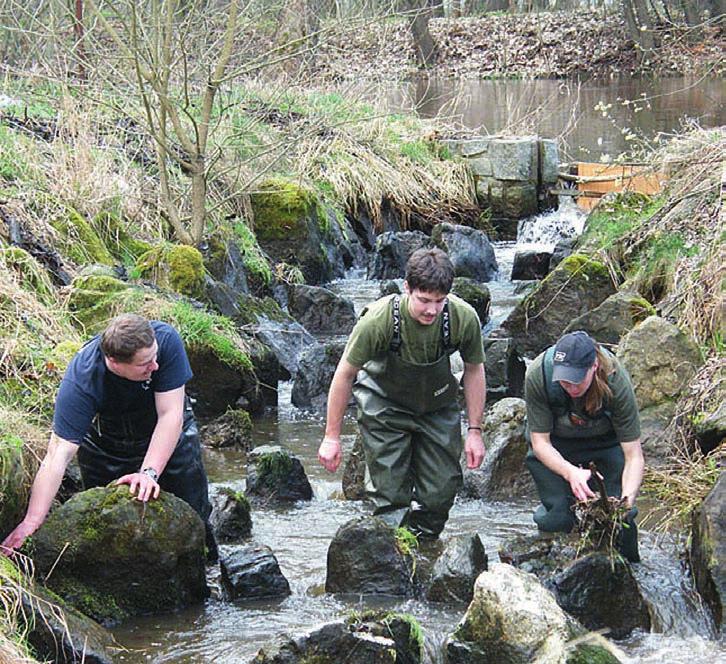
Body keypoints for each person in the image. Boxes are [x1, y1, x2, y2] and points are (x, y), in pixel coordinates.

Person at [1, 313, 216, 559]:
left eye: (155, 357)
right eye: (145, 363)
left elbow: (170, 415)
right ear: (113, 362)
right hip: (107, 446)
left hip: (169, 433)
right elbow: (57, 454)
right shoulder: (83, 379)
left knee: (195, 519)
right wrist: (32, 520)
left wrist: (148, 473)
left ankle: (208, 575)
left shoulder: (166, 340)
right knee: (106, 531)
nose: (155, 366)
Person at [318, 247, 486, 538]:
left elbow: (474, 370)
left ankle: (424, 549)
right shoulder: (379, 320)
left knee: (440, 494)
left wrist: (475, 430)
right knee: (389, 498)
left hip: (437, 406)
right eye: (424, 300)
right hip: (385, 408)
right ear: (407, 288)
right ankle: (395, 554)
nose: (432, 310)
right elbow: (345, 374)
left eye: (439, 301)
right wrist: (331, 437)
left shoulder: (462, 318)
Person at [524, 330, 644, 561]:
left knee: (621, 519)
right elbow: (540, 443)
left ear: (594, 366)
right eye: (564, 380)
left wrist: (626, 501)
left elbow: (634, 456)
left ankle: (630, 573)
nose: (570, 386)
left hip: (606, 445)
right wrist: (570, 472)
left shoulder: (616, 380)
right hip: (555, 446)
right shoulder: (539, 374)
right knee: (558, 517)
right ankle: (551, 575)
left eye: (576, 379)